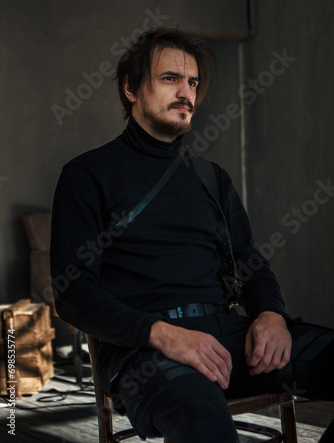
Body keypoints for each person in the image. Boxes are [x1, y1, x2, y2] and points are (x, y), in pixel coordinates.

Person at [50, 27, 334, 442]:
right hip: (145, 351)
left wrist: (271, 314)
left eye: (193, 82)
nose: (186, 92)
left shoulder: (211, 178)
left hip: (228, 339)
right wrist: (163, 334)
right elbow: (73, 294)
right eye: (170, 79)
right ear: (130, 89)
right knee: (202, 423)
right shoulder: (87, 175)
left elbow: (251, 262)